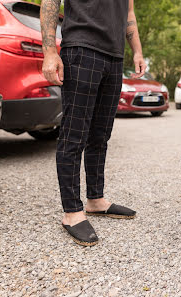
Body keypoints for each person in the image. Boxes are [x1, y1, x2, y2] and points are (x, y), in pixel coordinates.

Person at [40, 0, 146, 246]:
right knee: (74, 135)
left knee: (100, 136)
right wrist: (49, 52)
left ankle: (95, 200)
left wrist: (137, 51)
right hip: (82, 49)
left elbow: (128, 12)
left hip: (114, 57)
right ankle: (71, 212)